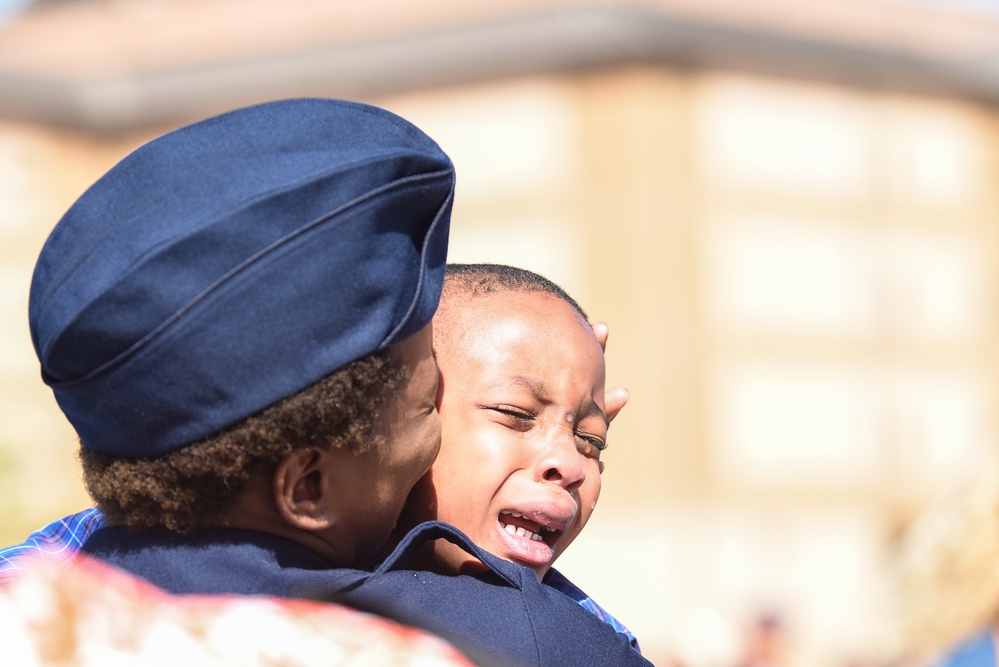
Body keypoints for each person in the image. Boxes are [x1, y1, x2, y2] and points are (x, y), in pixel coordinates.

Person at [5, 98, 650, 666]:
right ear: (308, 487)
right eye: (430, 408)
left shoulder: (36, 604)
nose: (565, 459)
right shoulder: (480, 639)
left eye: (588, 440)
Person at [396, 263, 640, 649]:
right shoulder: (305, 615)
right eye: (515, 415)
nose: (571, 465)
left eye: (590, 440)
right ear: (398, 423)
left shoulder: (587, 644)